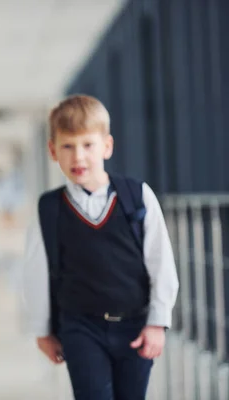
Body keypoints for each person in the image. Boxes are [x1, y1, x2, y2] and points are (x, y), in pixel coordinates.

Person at [22, 94, 179, 400]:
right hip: (81, 329)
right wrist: (42, 330)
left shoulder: (137, 197)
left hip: (136, 327)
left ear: (107, 146)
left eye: (87, 145)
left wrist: (158, 323)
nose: (78, 157)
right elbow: (35, 274)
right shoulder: (49, 209)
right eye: (67, 146)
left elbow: (161, 263)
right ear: (53, 151)